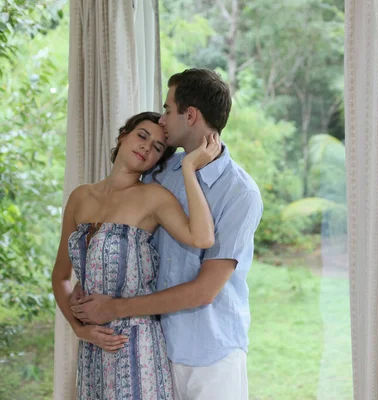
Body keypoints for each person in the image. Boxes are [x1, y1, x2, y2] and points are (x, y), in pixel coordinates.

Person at [71, 68, 264, 400]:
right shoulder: (160, 174)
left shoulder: (240, 193)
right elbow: (129, 238)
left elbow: (204, 291)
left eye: (168, 109)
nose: (162, 119)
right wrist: (87, 283)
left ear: (189, 115)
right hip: (154, 349)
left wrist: (114, 308)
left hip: (212, 356)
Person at [52, 111, 221, 399]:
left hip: (136, 346)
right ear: (123, 136)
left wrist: (189, 169)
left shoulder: (153, 197)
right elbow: (60, 277)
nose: (146, 147)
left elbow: (202, 237)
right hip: (93, 347)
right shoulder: (80, 197)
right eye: (142, 136)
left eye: (157, 147)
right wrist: (79, 328)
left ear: (158, 160)